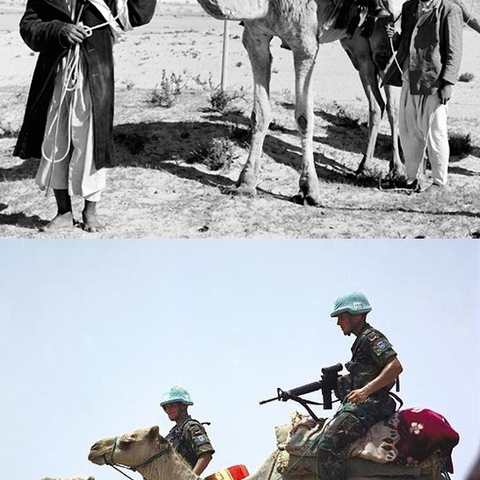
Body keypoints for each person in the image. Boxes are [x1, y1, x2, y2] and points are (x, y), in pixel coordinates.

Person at [13, 0, 156, 232]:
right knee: (55, 141)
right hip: (56, 74)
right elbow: (29, 27)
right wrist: (60, 30)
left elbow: (138, 15)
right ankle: (63, 213)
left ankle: (91, 212)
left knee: (91, 140)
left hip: (95, 72)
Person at [317, 291, 403, 480]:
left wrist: (365, 391)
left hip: (373, 404)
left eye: (341, 317)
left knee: (326, 446)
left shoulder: (371, 338)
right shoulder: (360, 342)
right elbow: (364, 375)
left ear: (356, 314)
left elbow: (395, 367)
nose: (338, 323)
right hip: (366, 404)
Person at [383, 0, 463, 191]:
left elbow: (454, 50)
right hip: (410, 76)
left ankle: (439, 183)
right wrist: (395, 38)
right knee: (409, 132)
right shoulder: (409, 7)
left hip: (434, 81)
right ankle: (413, 179)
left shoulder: (449, 10)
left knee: (436, 133)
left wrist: (449, 82)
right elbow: (407, 42)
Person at [161, 386, 215, 475]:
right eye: (166, 407)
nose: (168, 410)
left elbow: (206, 454)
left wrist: (191, 478)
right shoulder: (172, 434)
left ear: (183, 406)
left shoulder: (191, 427)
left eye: (172, 405)